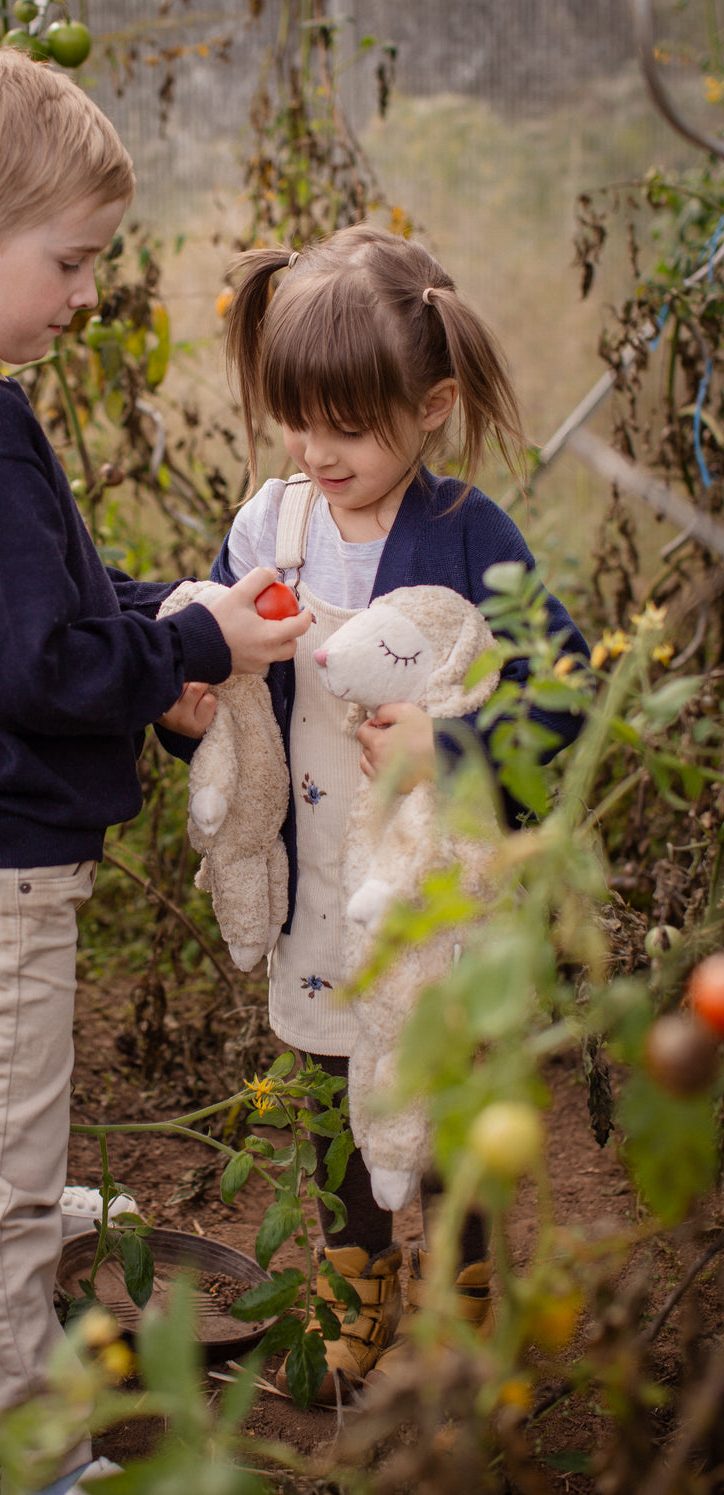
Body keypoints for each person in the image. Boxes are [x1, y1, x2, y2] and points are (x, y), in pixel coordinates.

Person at [0, 32, 311, 1492]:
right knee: (2, 1102)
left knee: (2, 1054)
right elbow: (29, 666)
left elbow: (46, 603)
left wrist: (170, 614)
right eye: (71, 262)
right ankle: (30, 1445)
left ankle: (16, 1194)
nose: (87, 292)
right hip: (2, 844)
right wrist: (182, 651)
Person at [202, 224, 588, 1404]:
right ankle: (356, 1289)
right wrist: (196, 688)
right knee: (333, 1086)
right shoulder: (271, 528)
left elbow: (564, 687)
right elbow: (227, 673)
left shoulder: (469, 533)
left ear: (430, 408)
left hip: (435, 893)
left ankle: (467, 1295)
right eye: (296, 419)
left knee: (449, 1092)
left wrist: (449, 745)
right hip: (322, 878)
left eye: (349, 427)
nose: (317, 451)